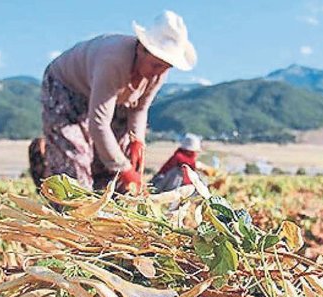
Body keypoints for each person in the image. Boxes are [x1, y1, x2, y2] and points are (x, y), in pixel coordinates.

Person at [29, 10, 197, 194]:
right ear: (141, 49)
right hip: (68, 87)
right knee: (75, 158)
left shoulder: (158, 73)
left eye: (165, 68)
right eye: (156, 65)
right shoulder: (113, 61)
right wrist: (123, 168)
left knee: (117, 156)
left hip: (111, 98)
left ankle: (107, 206)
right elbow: (98, 124)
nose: (159, 72)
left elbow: (139, 109)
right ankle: (64, 198)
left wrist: (137, 140)